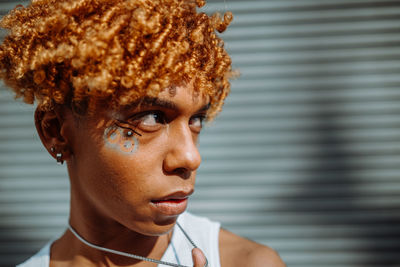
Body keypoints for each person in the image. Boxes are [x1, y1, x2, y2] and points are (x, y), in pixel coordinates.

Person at [0, 0, 285, 266]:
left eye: (197, 120)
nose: (190, 157)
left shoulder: (248, 261)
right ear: (55, 132)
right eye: (152, 117)